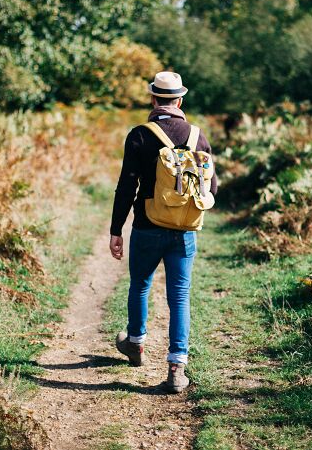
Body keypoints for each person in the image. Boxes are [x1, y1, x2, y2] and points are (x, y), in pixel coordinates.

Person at [109, 71, 218, 393]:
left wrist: (116, 229)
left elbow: (126, 185)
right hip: (185, 230)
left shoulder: (140, 134)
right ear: (180, 100)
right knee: (179, 296)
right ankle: (176, 367)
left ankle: (135, 344)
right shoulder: (198, 136)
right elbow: (212, 185)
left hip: (146, 226)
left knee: (140, 285)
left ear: (153, 99)